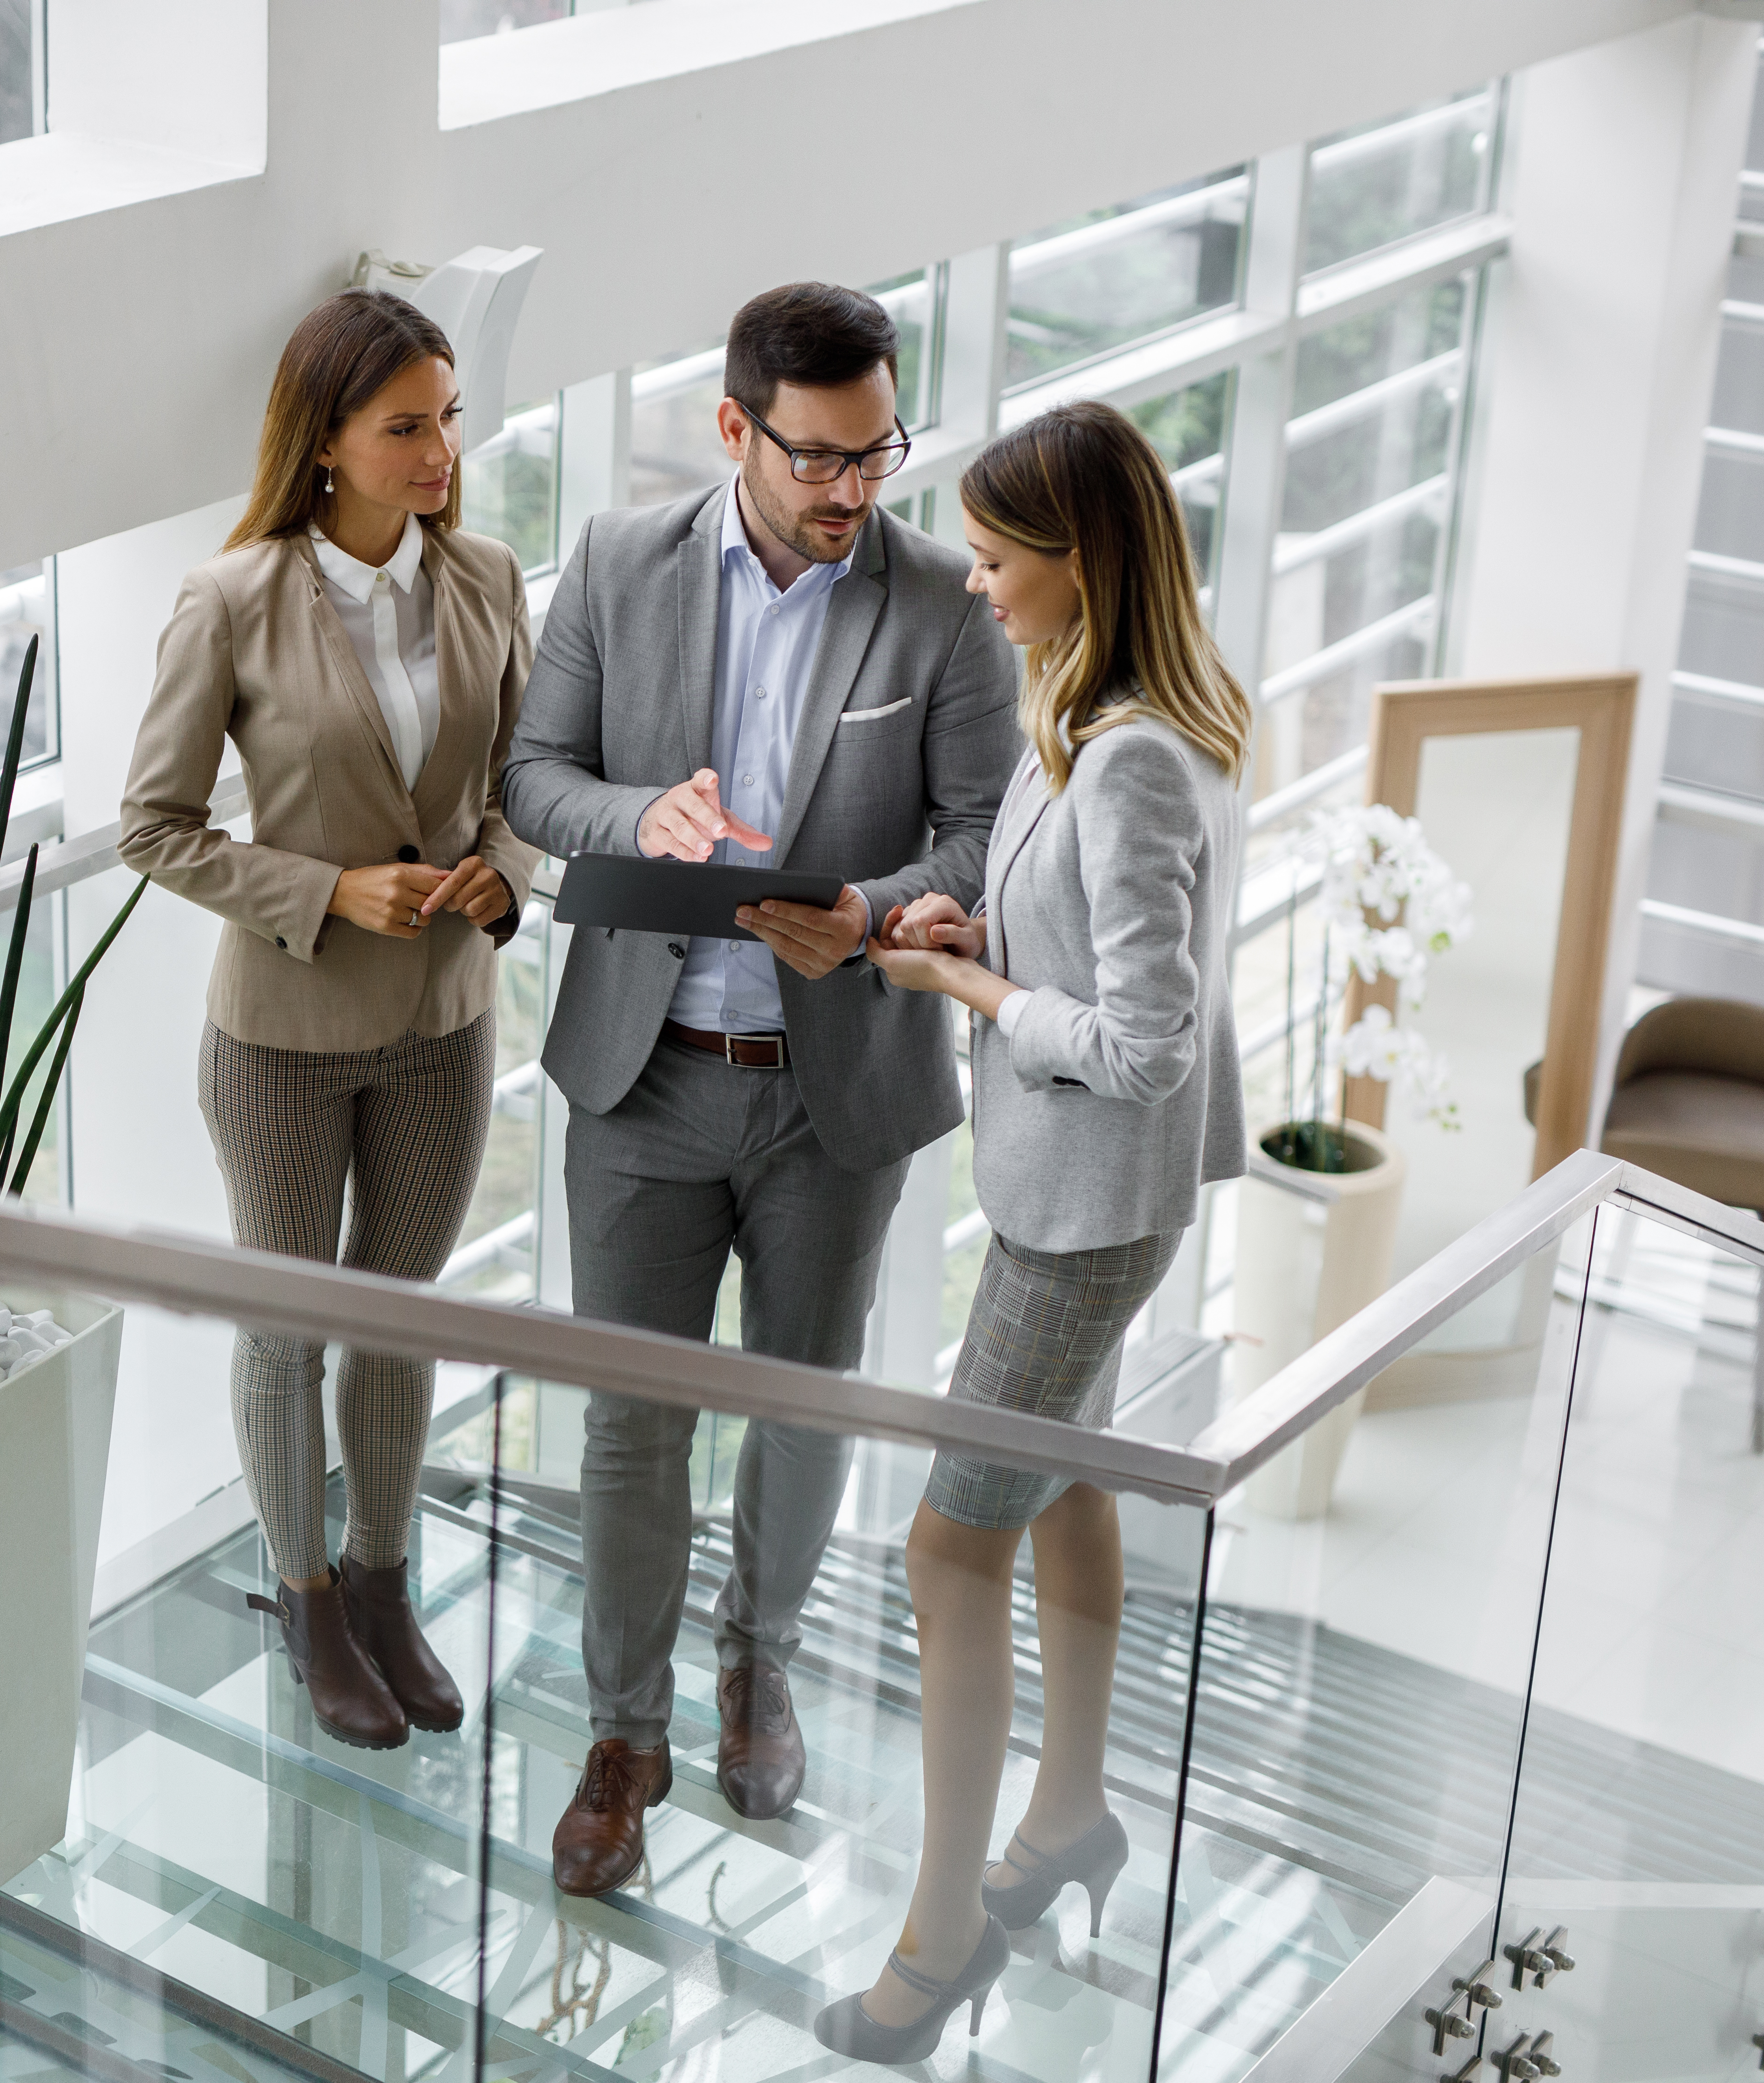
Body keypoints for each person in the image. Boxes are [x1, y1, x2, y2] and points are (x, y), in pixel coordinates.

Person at [500, 282, 1021, 1893]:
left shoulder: (942, 605)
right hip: (643, 1075)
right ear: (736, 429)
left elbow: (982, 827)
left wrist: (866, 913)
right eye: (821, 460)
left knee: (804, 1411)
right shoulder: (614, 564)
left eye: (879, 457)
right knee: (632, 1427)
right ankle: (621, 1733)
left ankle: (761, 1660)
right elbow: (532, 779)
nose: (854, 492)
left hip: (835, 1089)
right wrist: (639, 817)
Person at [816, 399, 1249, 2060]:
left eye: (999, 561)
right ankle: (1067, 1814)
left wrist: (976, 991)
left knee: (948, 1546)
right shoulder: (1117, 703)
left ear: (1085, 561)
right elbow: (1083, 934)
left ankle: (937, 1940)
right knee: (1067, 1473)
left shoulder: (1133, 750)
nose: (978, 586)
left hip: (1078, 1216)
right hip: (1091, 1203)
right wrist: (966, 927)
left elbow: (1144, 1043)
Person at [119, 290, 540, 1751]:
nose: (440, 452)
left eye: (447, 420)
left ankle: (381, 1585)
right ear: (326, 448)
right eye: (405, 427)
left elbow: (521, 787)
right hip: (287, 1037)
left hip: (446, 1018)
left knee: (399, 1322)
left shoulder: (486, 576)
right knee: (295, 1328)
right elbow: (155, 829)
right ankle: (304, 1600)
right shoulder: (231, 600)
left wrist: (508, 868)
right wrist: (326, 890)